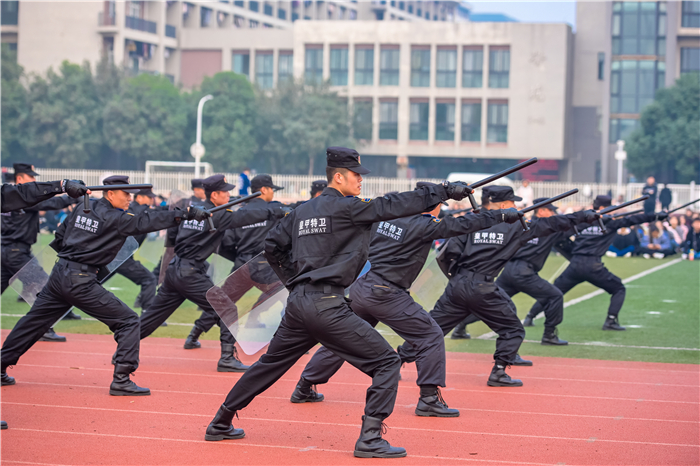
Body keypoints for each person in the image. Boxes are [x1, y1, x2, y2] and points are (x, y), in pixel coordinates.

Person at [204, 147, 472, 459]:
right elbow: (392, 204)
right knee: (387, 363)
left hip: (299, 304)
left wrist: (293, 280)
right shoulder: (349, 208)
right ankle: (370, 439)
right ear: (339, 176)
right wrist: (444, 191)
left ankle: (220, 421)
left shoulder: (302, 211)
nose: (361, 181)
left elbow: (272, 246)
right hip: (326, 304)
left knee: (269, 365)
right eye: (357, 175)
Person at [289, 181, 519, 418]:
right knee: (430, 335)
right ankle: (429, 399)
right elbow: (462, 225)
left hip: (361, 287)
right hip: (386, 292)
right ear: (433, 205)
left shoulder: (383, 218)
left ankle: (304, 386)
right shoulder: (423, 225)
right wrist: (500, 216)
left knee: (342, 338)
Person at [1, 176, 207, 395]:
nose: (130, 198)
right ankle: (122, 379)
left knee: (32, 323)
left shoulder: (82, 208)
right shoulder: (117, 218)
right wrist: (185, 214)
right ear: (110, 194)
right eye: (125, 193)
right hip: (81, 281)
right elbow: (147, 221)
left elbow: (59, 236)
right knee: (128, 321)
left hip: (59, 274)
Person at [398, 186, 594, 388]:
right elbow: (551, 224)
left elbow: (447, 254)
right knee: (513, 329)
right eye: (512, 203)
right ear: (502, 205)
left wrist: (457, 278)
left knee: (433, 330)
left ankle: (397, 361)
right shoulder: (515, 226)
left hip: (457, 285)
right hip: (482, 286)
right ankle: (499, 372)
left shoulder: (469, 221)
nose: (516, 207)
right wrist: (583, 217)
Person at [138, 174, 287, 372]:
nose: (229, 195)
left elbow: (174, 236)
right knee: (227, 308)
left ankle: (124, 348)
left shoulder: (195, 212)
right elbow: (242, 217)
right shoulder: (216, 215)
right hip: (190, 273)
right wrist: (273, 211)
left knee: (152, 317)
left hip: (175, 271)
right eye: (225, 192)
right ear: (215, 195)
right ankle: (227, 358)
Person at [526, 195, 663, 331]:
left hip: (575, 264)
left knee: (555, 291)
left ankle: (530, 316)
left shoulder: (583, 221)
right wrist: (655, 216)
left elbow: (563, 235)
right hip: (593, 265)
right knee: (618, 288)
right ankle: (610, 321)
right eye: (610, 208)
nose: (613, 211)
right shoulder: (610, 222)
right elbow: (633, 220)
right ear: (602, 208)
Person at [184, 174, 286, 350]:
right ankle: (287, 341)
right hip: (264, 267)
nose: (273, 193)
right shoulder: (274, 211)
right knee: (288, 297)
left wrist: (240, 257)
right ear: (264, 190)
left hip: (241, 266)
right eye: (271, 189)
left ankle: (194, 334)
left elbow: (227, 243)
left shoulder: (238, 212)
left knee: (222, 302)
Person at [1, 164, 83, 342]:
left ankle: (61, 315)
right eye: (31, 178)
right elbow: (50, 202)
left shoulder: (11, 198)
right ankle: (44, 329)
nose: (34, 181)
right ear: (20, 178)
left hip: (7, 250)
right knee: (43, 285)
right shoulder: (20, 197)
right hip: (16, 252)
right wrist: (71, 197)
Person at [495, 198, 581, 345]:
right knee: (555, 296)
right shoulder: (548, 229)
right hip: (524, 273)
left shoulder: (522, 225)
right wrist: (592, 218)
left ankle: (461, 327)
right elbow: (569, 228)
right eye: (551, 210)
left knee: (490, 301)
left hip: (508, 271)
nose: (553, 213)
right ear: (541, 211)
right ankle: (549, 335)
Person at [115, 188, 160, 310]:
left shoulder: (140, 211)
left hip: (114, 257)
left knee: (88, 286)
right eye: (149, 197)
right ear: (139, 197)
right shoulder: (136, 211)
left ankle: (64, 308)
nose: (152, 200)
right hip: (120, 258)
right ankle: (147, 313)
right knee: (149, 279)